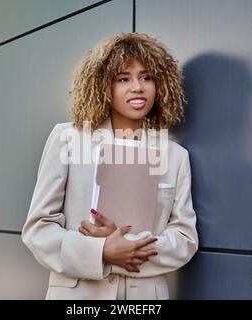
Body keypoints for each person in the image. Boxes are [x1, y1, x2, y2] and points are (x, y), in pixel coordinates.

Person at [21, 32, 198, 300]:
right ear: (104, 86)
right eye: (123, 78)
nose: (137, 87)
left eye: (147, 77)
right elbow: (38, 230)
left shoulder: (175, 156)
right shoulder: (68, 139)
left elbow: (185, 239)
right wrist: (101, 250)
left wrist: (127, 246)